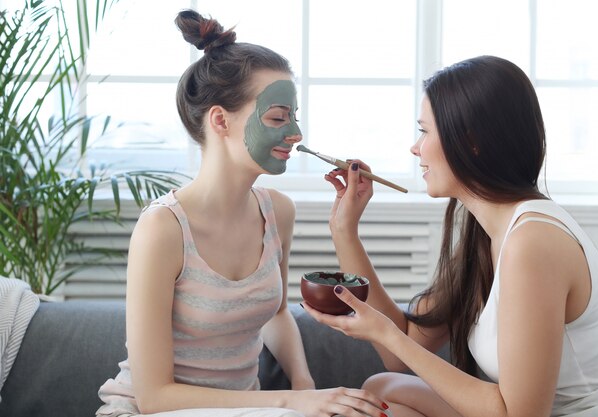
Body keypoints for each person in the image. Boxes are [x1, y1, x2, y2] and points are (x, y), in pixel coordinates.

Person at [95, 10, 389, 417]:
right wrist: (289, 399)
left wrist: (305, 386)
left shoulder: (278, 212)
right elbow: (155, 396)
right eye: (277, 118)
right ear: (220, 120)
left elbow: (277, 313)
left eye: (295, 117)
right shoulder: (162, 229)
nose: (296, 133)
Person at [302, 55, 598, 417]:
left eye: (424, 131)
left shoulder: (532, 243)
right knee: (381, 388)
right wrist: (344, 231)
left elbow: (521, 414)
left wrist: (386, 333)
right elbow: (402, 350)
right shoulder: (488, 234)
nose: (415, 147)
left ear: (471, 142)